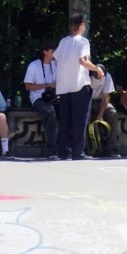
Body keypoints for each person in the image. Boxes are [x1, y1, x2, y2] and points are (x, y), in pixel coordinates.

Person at [53, 13, 104, 160]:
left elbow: (56, 59)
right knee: (80, 120)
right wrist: (97, 69)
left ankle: (63, 151)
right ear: (82, 25)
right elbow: (82, 61)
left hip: (64, 87)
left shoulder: (63, 41)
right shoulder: (83, 42)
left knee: (65, 121)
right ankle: (77, 152)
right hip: (79, 86)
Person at [22, 40, 59, 159]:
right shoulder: (34, 65)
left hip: (54, 96)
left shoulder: (56, 64)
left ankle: (67, 147)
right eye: (53, 51)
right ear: (45, 52)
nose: (55, 53)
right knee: (50, 112)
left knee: (67, 110)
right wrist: (47, 85)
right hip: (38, 97)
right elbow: (28, 86)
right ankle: (52, 148)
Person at [87, 64, 121, 158]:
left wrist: (100, 114)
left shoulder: (108, 76)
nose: (99, 77)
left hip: (101, 101)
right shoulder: (87, 75)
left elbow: (106, 97)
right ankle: (87, 148)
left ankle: (111, 148)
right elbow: (85, 96)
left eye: (101, 75)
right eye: (97, 74)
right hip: (87, 101)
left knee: (113, 113)